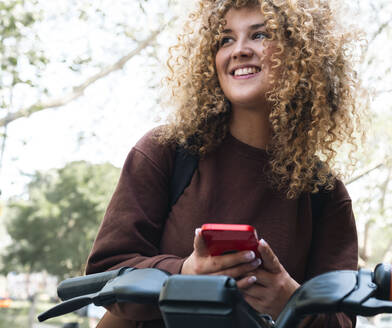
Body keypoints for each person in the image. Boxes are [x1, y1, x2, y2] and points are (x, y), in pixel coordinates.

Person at [86, 0, 366, 327]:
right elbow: (105, 274)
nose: (240, 50)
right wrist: (183, 274)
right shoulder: (166, 152)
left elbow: (342, 319)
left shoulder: (324, 193)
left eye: (260, 35)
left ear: (303, 55)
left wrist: (291, 302)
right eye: (226, 40)